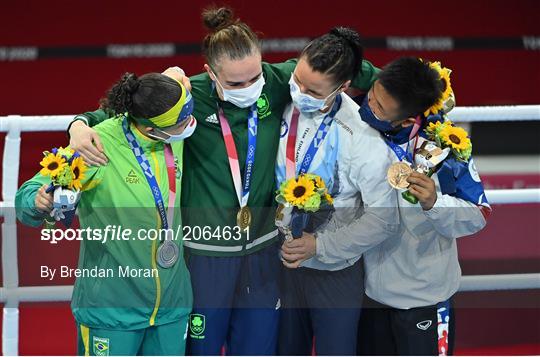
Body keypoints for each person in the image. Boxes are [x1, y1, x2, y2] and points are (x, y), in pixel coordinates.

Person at [66, 7, 380, 355]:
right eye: (234, 83)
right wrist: (79, 124)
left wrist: (426, 96)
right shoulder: (188, 95)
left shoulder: (279, 82)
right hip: (205, 256)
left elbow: (349, 67)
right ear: (209, 73)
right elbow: (127, 107)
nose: (248, 88)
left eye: (253, 78)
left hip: (262, 252)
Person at [16, 72, 195, 355]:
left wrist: (174, 74)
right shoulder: (96, 146)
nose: (190, 124)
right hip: (112, 310)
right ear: (150, 129)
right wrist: (38, 202)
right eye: (182, 122)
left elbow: (164, 82)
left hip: (172, 306)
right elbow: (26, 197)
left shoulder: (166, 111)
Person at [274, 27, 399, 355]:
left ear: (343, 86)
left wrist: (320, 245)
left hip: (333, 271)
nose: (299, 92)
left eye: (313, 91)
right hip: (275, 266)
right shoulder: (278, 103)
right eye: (297, 80)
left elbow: (384, 218)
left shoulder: (363, 136)